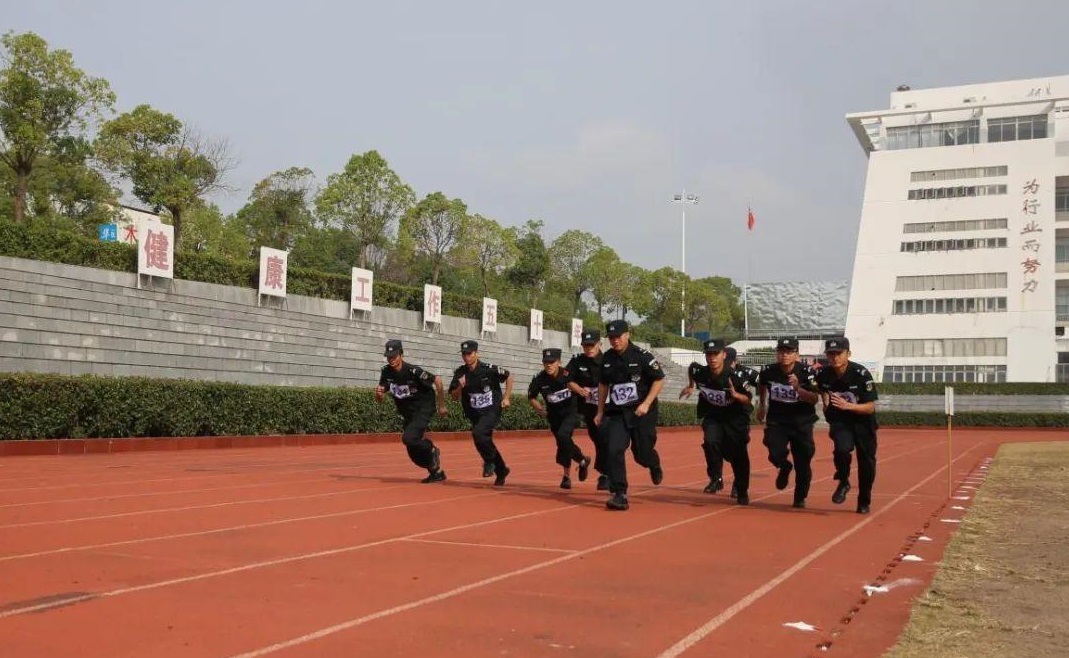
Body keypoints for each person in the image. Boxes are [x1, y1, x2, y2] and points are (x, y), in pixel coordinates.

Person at [594, 320, 666, 511]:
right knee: (613, 449)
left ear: (628, 335)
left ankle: (653, 463)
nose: (615, 341)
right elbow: (603, 385)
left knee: (641, 454)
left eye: (618, 337)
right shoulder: (607, 358)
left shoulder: (642, 356)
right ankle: (620, 493)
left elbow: (659, 379)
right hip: (618, 412)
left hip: (642, 412)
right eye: (611, 338)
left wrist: (646, 403)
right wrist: (600, 411)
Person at [679, 338, 753, 505]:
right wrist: (691, 385)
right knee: (710, 442)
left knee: (737, 454)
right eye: (708, 354)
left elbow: (748, 399)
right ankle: (716, 478)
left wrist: (736, 396)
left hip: (735, 418)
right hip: (713, 415)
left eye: (716, 354)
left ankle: (741, 490)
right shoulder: (701, 372)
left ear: (724, 355)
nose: (712, 358)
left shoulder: (735, 376)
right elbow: (692, 368)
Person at [815, 337, 879, 514]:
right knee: (842, 450)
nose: (834, 357)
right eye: (830, 354)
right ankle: (844, 481)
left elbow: (870, 407)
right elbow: (820, 388)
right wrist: (826, 402)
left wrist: (848, 406)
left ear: (848, 354)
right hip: (840, 421)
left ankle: (864, 500)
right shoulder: (824, 373)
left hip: (863, 423)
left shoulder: (861, 373)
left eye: (838, 353)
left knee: (867, 463)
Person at [756, 337, 820, 508]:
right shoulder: (768, 370)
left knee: (803, 462)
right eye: (781, 351)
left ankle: (800, 497)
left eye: (788, 351)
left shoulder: (807, 372)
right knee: (773, 448)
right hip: (778, 420)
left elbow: (814, 399)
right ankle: (784, 466)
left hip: (802, 422)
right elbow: (762, 385)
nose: (784, 355)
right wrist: (761, 405)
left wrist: (798, 389)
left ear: (796, 355)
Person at [375, 339, 450, 483]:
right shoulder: (386, 372)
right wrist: (378, 394)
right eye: (389, 357)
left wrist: (441, 405)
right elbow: (380, 396)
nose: (391, 360)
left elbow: (438, 381)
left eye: (394, 356)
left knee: (408, 438)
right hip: (408, 413)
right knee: (413, 452)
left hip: (423, 408)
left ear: (401, 355)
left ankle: (431, 449)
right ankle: (436, 472)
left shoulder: (413, 371)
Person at [448, 340, 513, 486]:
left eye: (469, 354)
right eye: (463, 354)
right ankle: (502, 470)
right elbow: (453, 397)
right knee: (481, 440)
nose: (466, 357)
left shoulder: (488, 369)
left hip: (492, 409)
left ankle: (489, 462)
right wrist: (460, 387)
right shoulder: (460, 373)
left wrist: (506, 397)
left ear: (476, 353)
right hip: (474, 413)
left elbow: (509, 376)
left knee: (478, 433)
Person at [528, 347, 592, 489]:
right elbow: (532, 397)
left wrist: (582, 391)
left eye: (552, 362)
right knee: (562, 443)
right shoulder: (539, 379)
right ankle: (580, 462)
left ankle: (568, 474)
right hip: (554, 416)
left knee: (563, 436)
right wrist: (538, 407)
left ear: (559, 362)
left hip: (571, 412)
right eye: (546, 362)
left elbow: (583, 385)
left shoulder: (568, 374)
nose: (549, 365)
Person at [565, 329, 609, 490]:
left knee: (605, 439)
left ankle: (605, 474)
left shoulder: (608, 360)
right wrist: (579, 389)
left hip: (607, 407)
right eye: (585, 346)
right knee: (596, 438)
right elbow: (568, 379)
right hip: (586, 406)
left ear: (599, 344)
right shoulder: (577, 361)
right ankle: (583, 460)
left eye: (592, 345)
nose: (589, 349)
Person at [720, 346, 762, 498]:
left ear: (735, 361)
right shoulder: (716, 370)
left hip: (740, 417)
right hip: (722, 416)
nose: (726, 364)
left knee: (739, 451)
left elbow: (763, 381)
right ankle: (720, 478)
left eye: (729, 362)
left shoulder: (746, 372)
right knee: (723, 449)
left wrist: (761, 403)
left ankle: (739, 484)